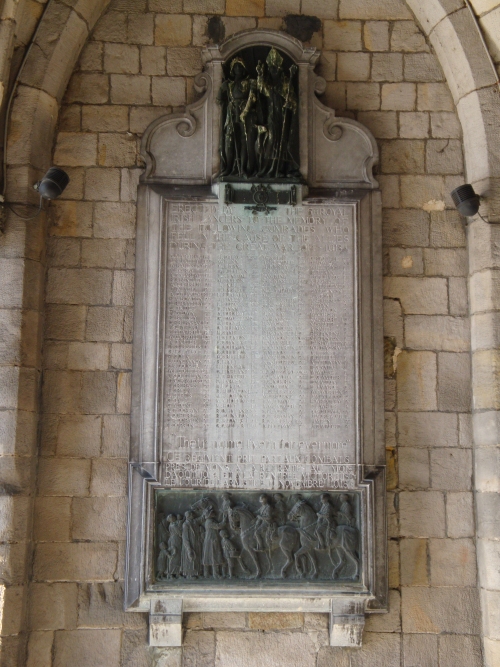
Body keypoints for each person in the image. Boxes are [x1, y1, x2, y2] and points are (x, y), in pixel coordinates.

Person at [217, 57, 258, 178]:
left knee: (244, 140)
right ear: (232, 69)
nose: (238, 69)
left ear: (244, 69)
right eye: (236, 67)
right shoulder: (228, 85)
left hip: (246, 115)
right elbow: (219, 100)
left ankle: (243, 168)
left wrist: (244, 111)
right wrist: (222, 89)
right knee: (230, 140)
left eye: (240, 66)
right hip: (232, 113)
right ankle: (229, 168)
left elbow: (253, 98)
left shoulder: (250, 83)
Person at [198, 508, 226, 578]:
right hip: (212, 540)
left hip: (210, 540)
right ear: (209, 515)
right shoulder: (209, 521)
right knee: (214, 556)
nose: (213, 513)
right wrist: (225, 519)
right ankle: (215, 574)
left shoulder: (209, 521)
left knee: (209, 556)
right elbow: (219, 526)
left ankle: (206, 573)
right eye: (212, 512)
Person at [181, 510, 201, 578]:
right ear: (188, 516)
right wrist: (188, 548)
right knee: (189, 559)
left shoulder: (194, 522)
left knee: (195, 559)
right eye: (192, 514)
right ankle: (189, 575)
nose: (193, 515)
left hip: (195, 543)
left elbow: (200, 519)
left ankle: (196, 573)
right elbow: (185, 538)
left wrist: (205, 513)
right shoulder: (185, 525)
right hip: (189, 544)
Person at [165, 514, 182, 578]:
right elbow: (179, 532)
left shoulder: (172, 524)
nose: (175, 517)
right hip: (175, 540)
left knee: (177, 557)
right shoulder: (174, 525)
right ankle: (171, 573)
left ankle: (177, 572)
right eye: (173, 517)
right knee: (175, 556)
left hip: (175, 540)